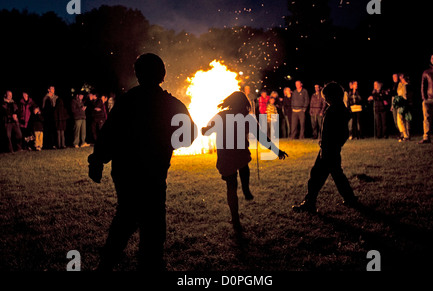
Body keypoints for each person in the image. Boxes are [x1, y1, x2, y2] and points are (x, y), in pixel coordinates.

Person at [88, 53, 197, 271]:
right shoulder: (172, 104)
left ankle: (108, 264)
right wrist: (168, 142)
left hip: (125, 172)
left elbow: (109, 133)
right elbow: (189, 137)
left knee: (125, 217)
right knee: (153, 222)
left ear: (138, 74)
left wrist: (98, 160)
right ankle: (150, 263)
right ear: (162, 75)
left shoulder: (127, 101)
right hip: (153, 174)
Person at [201, 91, 288, 232]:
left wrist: (204, 129)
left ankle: (235, 218)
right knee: (243, 166)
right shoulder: (247, 118)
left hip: (226, 155)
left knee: (231, 187)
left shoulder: (221, 116)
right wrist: (276, 150)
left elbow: (206, 132)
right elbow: (261, 137)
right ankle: (246, 188)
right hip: (239, 154)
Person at [292, 82, 358, 213]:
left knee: (316, 176)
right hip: (331, 148)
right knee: (337, 175)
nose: (324, 99)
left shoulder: (334, 110)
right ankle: (350, 199)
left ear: (332, 96)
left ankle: (310, 203)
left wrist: (326, 146)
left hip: (328, 150)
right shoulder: (339, 109)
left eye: (326, 96)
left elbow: (332, 132)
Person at [419, 54, 433, 144]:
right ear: (430, 60)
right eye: (432, 58)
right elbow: (423, 85)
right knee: (426, 118)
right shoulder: (426, 72)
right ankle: (426, 137)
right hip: (428, 99)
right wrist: (424, 97)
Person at [394, 74, 412, 142]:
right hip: (401, 104)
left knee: (404, 120)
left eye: (402, 78)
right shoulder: (400, 85)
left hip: (405, 104)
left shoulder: (407, 86)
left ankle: (406, 135)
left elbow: (406, 96)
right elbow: (398, 93)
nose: (400, 79)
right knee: (401, 120)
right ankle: (404, 134)